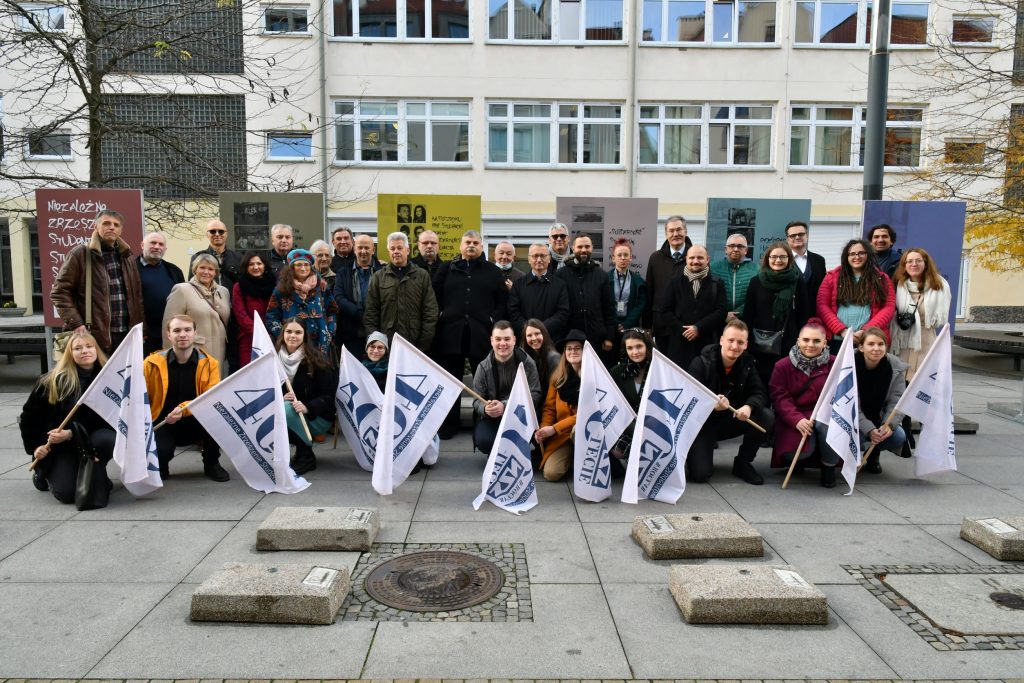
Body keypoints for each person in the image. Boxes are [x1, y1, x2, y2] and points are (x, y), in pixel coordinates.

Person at [19, 332, 116, 506]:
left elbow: (108, 419)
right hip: (58, 447)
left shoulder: (109, 380)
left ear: (97, 350)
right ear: (69, 353)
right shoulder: (52, 381)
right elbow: (29, 418)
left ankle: (95, 472)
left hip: (88, 441)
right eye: (77, 348)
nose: (84, 351)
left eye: (89, 346)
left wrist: (72, 433)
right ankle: (42, 475)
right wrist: (36, 447)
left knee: (107, 438)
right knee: (67, 494)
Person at [433, 230, 508, 438]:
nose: (471, 245)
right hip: (450, 335)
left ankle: (482, 425)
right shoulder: (446, 269)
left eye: (476, 242)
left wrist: (492, 320)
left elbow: (503, 301)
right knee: (451, 381)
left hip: (481, 335)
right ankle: (448, 426)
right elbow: (434, 295)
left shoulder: (492, 271)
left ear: (482, 247)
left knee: (483, 382)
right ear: (460, 246)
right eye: (468, 242)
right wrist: (441, 314)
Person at [687, 319, 774, 485]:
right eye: (730, 340)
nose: (735, 346)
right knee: (700, 475)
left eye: (740, 342)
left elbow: (759, 392)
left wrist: (749, 407)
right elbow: (690, 396)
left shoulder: (748, 363)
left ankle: (743, 463)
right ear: (721, 340)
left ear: (746, 345)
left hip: (730, 421)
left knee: (766, 416)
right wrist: (712, 403)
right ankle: (694, 453)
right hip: (702, 425)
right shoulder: (700, 362)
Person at [144, 314, 228, 482]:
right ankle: (161, 464)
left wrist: (183, 410)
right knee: (162, 449)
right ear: (169, 335)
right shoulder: (150, 363)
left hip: (197, 420)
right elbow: (141, 398)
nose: (182, 334)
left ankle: (212, 462)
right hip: (163, 421)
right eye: (177, 330)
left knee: (218, 418)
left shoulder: (211, 364)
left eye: (187, 330)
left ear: (195, 333)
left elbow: (209, 398)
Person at [50, 209, 145, 354]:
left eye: (116, 225)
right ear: (95, 226)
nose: (111, 227)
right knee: (95, 377)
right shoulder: (81, 254)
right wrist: (76, 323)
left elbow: (137, 298)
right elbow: (59, 292)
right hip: (93, 336)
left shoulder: (128, 257)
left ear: (120, 230)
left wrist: (141, 330)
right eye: (106, 223)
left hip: (126, 335)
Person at [768, 319, 840, 487]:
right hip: (795, 417)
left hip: (825, 415)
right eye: (806, 340)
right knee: (796, 452)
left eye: (816, 341)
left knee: (826, 426)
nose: (810, 344)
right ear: (798, 341)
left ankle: (828, 467)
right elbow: (779, 396)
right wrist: (796, 419)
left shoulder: (836, 364)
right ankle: (800, 461)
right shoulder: (782, 365)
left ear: (824, 342)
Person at [742, 241, 810, 390]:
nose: (778, 260)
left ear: (789, 259)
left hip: (788, 343)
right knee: (760, 384)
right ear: (767, 259)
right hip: (760, 343)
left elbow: (803, 315)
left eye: (782, 257)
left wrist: (801, 342)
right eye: (773, 257)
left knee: (784, 384)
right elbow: (748, 314)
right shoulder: (756, 282)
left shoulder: (798, 282)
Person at [275, 318, 337, 475]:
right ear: (283, 334)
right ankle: (297, 452)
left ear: (305, 336)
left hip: (316, 418)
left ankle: (307, 455)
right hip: (286, 413)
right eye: (289, 331)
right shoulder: (273, 360)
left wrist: (308, 407)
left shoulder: (317, 360)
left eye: (298, 332)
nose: (293, 336)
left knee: (287, 409)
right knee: (278, 409)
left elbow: (329, 397)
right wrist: (279, 399)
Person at [471, 321, 542, 455]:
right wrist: (485, 409)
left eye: (507, 339)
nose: (502, 343)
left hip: (522, 414)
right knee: (484, 441)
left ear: (514, 340)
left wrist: (505, 406)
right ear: (491, 341)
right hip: (494, 418)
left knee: (540, 438)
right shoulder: (483, 367)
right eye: (498, 339)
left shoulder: (527, 363)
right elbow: (476, 401)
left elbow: (536, 393)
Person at [655, 245, 728, 369]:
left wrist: (698, 328)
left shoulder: (717, 283)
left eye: (700, 257)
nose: (695, 261)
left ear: (707, 259)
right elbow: (665, 311)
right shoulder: (675, 282)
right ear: (686, 259)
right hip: (679, 344)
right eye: (692, 257)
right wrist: (683, 331)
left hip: (707, 344)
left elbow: (721, 311)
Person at [817, 239, 896, 352]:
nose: (857, 257)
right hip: (837, 339)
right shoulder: (832, 277)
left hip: (868, 340)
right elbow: (822, 306)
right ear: (846, 257)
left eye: (861, 253)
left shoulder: (882, 278)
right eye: (852, 254)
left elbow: (889, 308)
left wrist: (865, 331)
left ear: (868, 255)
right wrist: (842, 331)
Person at [364, 232, 438, 351]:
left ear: (407, 250)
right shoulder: (379, 277)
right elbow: (371, 312)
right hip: (387, 343)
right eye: (392, 248)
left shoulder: (422, 275)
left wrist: (423, 344)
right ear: (389, 251)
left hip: (415, 343)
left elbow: (430, 311)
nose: (396, 251)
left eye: (400, 248)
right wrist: (376, 341)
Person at [890, 248, 952, 380]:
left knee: (922, 383)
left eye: (918, 261)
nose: (914, 264)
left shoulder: (940, 286)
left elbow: (940, 318)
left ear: (926, 263)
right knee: (900, 383)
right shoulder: (898, 285)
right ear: (904, 265)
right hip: (902, 341)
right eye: (909, 261)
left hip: (926, 341)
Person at [266, 249, 338, 359]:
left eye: (306, 265)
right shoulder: (281, 290)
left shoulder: (321, 287)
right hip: (293, 345)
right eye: (299, 265)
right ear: (292, 268)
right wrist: (285, 335)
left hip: (320, 342)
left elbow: (332, 310)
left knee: (320, 373)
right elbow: (271, 316)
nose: (303, 268)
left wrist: (330, 332)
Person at [856, 326, 910, 474]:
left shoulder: (895, 368)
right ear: (861, 347)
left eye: (881, 344)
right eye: (871, 344)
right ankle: (846, 458)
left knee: (898, 435)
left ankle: (873, 455)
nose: (876, 348)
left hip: (879, 417)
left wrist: (888, 425)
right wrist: (869, 429)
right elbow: (851, 405)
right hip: (852, 421)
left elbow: (897, 400)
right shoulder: (849, 365)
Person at [534, 329, 585, 482]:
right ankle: (571, 458)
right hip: (563, 436)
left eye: (577, 348)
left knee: (578, 430)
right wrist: (544, 428)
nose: (572, 352)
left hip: (586, 432)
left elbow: (584, 415)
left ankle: (582, 460)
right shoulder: (558, 378)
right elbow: (549, 408)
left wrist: (554, 428)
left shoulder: (593, 378)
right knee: (551, 474)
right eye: (569, 348)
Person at [162, 254, 231, 367]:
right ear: (195, 269)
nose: (206, 272)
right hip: (192, 352)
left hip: (220, 352)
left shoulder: (224, 292)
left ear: (215, 272)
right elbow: (169, 324)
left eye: (210, 269)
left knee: (217, 383)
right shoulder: (182, 290)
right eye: (202, 268)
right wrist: (170, 356)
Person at [555, 233, 615, 356]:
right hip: (569, 336)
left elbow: (608, 308)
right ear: (573, 248)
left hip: (596, 338)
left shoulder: (601, 275)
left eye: (587, 247)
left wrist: (609, 337)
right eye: (580, 247)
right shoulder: (560, 275)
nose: (583, 250)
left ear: (592, 248)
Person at [608, 328, 653, 474]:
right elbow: (610, 405)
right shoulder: (617, 371)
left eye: (639, 346)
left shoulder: (658, 370)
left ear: (648, 346)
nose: (635, 352)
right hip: (625, 425)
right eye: (630, 348)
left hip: (652, 426)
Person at [645, 215, 691, 346]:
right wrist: (648, 325)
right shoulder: (655, 258)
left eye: (679, 230)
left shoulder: (695, 257)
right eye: (671, 231)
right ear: (666, 234)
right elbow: (649, 292)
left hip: (686, 326)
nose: (675, 234)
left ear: (685, 232)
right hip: (661, 325)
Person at [334, 233, 383, 358]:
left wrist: (372, 316)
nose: (363, 251)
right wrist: (359, 314)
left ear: (373, 249)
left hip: (378, 331)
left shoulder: (383, 271)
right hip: (351, 332)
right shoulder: (343, 272)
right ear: (354, 248)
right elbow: (339, 297)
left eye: (367, 248)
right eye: (360, 247)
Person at [508, 243, 570, 340]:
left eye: (543, 256)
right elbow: (513, 312)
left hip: (552, 340)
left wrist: (542, 329)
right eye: (535, 256)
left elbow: (562, 313)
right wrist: (529, 330)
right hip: (526, 340)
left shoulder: (560, 285)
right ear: (529, 259)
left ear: (549, 259)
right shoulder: (518, 284)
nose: (539, 259)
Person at [137, 231, 184, 355]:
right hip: (142, 334)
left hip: (169, 332)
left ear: (165, 248)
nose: (157, 246)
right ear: (142, 245)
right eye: (153, 243)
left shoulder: (174, 270)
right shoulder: (130, 268)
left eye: (161, 244)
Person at [231, 251, 275, 367]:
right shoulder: (239, 286)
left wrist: (270, 332)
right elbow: (240, 314)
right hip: (248, 338)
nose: (256, 267)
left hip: (272, 336)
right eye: (251, 264)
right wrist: (259, 333)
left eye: (259, 263)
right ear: (246, 267)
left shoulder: (274, 283)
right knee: (251, 372)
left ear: (264, 265)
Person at [606, 239, 646, 364]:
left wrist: (627, 323)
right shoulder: (604, 279)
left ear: (630, 258)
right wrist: (616, 323)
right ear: (613, 258)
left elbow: (641, 304)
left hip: (630, 327)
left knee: (630, 360)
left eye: (626, 255)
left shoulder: (638, 280)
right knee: (611, 361)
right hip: (611, 327)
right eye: (619, 255)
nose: (622, 258)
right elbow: (604, 303)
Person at [710, 232, 757, 320]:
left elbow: (756, 296)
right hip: (719, 320)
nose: (735, 249)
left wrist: (738, 313)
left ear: (746, 250)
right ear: (725, 249)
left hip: (746, 319)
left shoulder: (756, 270)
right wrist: (723, 314)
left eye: (740, 246)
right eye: (731, 246)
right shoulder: (713, 268)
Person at [520, 318, 561, 408]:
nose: (534, 338)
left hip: (549, 407)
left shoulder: (554, 358)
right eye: (529, 335)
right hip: (532, 405)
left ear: (544, 334)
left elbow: (556, 392)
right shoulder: (524, 358)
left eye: (537, 333)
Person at [191, 219, 242, 292]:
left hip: (232, 302)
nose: (217, 234)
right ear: (207, 234)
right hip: (206, 301)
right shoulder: (197, 257)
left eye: (221, 231)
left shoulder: (238, 258)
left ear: (226, 234)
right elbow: (192, 284)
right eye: (212, 231)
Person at [785, 220, 827, 305]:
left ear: (807, 236)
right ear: (787, 239)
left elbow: (824, 289)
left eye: (801, 234)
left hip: (815, 313)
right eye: (793, 235)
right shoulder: (782, 261)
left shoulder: (819, 260)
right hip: (790, 314)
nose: (797, 237)